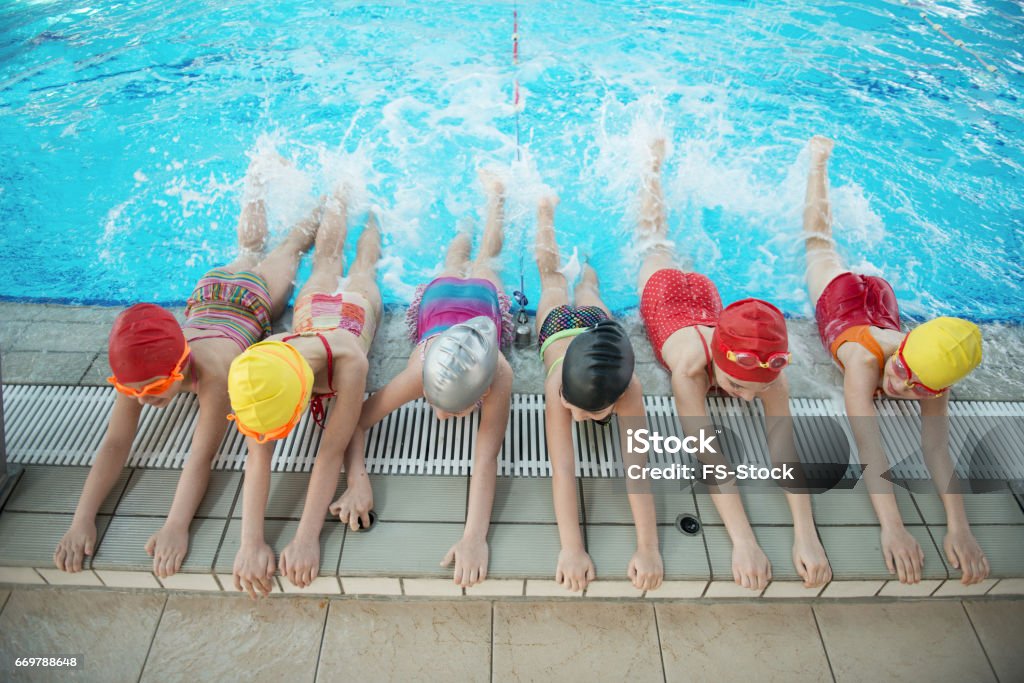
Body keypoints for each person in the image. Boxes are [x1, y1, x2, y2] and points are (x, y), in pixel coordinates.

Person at [53, 151, 317, 578]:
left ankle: (331, 199)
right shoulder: (140, 365)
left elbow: (201, 456)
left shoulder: (213, 375)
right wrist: (82, 517)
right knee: (248, 248)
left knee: (292, 245)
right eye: (136, 393)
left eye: (152, 390)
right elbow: (116, 444)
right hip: (208, 294)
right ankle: (258, 173)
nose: (145, 400)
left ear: (180, 370)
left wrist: (177, 525)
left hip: (253, 300)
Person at [635, 139, 831, 592]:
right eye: (735, 385)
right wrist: (743, 542)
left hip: (707, 302)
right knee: (655, 241)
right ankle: (652, 167)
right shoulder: (690, 370)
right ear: (717, 364)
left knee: (670, 244)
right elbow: (710, 457)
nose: (745, 397)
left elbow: (786, 453)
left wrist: (808, 536)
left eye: (751, 389)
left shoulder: (766, 375)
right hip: (664, 295)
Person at [801, 135, 988, 585]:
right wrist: (894, 527)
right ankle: (818, 165)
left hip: (882, 303)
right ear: (900, 352)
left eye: (918, 386)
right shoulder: (865, 363)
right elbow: (869, 447)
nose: (902, 388)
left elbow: (937, 447)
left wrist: (960, 529)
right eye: (901, 371)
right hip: (843, 296)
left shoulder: (930, 370)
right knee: (816, 243)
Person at [329, 171, 514, 589]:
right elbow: (352, 418)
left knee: (478, 260)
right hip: (441, 301)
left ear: (484, 389)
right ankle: (492, 202)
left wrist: (474, 538)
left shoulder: (500, 374)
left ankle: (481, 212)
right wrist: (356, 481)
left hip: (473, 297)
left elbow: (485, 459)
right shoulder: (420, 373)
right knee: (483, 259)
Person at [225, 182, 382, 597]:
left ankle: (372, 216)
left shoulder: (350, 364)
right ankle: (342, 196)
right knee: (330, 258)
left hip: (354, 311)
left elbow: (331, 450)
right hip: (315, 311)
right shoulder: (261, 368)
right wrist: (250, 542)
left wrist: (308, 537)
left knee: (362, 267)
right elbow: (256, 458)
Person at [535, 194, 664, 593]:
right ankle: (546, 215)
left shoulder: (630, 391)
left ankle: (587, 259)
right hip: (558, 329)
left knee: (586, 284)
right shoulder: (556, 386)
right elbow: (563, 473)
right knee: (553, 281)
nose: (576, 420)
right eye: (573, 410)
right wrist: (571, 549)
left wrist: (649, 548)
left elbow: (638, 470)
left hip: (596, 327)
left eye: (588, 414)